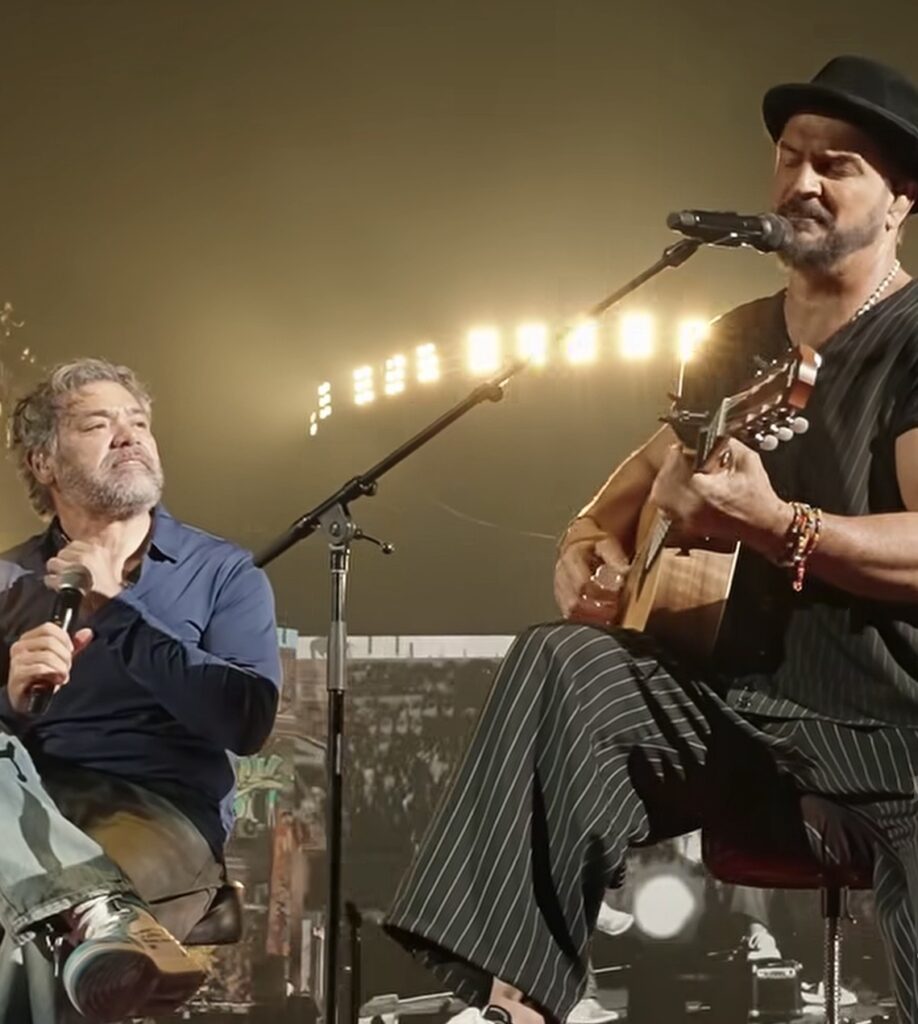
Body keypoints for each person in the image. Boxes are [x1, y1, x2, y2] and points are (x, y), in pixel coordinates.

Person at [385, 54, 918, 1024]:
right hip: (734, 716)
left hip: (891, 731)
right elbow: (629, 490)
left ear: (902, 199)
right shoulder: (737, 340)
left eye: (836, 164)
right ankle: (513, 1003)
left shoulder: (912, 339)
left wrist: (780, 525)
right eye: (790, 157)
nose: (801, 180)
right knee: (563, 661)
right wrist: (583, 545)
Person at [0, 358, 281, 1022]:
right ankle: (96, 906)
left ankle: (92, 906)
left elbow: (245, 721)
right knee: (43, 914)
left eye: (139, 423)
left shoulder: (222, 573)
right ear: (44, 463)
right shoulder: (8, 582)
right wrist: (9, 697)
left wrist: (118, 609)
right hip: (27, 811)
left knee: (33, 935)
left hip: (158, 814)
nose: (128, 435)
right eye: (98, 424)